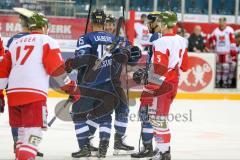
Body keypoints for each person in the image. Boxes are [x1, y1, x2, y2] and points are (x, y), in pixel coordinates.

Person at [0, 10, 77, 160]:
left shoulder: (15, 43)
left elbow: (2, 71)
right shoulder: (47, 41)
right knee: (34, 136)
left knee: (22, 137)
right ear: (43, 27)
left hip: (14, 97)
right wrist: (71, 88)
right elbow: (56, 70)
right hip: (34, 96)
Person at [140, 11, 188, 160]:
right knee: (159, 118)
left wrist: (148, 89)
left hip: (162, 86)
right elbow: (185, 66)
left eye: (160, 22)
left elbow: (159, 70)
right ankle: (163, 151)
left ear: (165, 24)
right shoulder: (182, 40)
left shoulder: (160, 42)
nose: (158, 24)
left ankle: (164, 152)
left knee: (157, 119)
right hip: (174, 83)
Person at [5, 7, 45, 157]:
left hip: (13, 85)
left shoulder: (13, 40)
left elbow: (6, 64)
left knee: (19, 120)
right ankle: (27, 146)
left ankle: (19, 143)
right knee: (32, 121)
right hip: (33, 86)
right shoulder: (40, 39)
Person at [131, 11, 162, 159]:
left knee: (146, 113)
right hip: (159, 80)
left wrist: (148, 76)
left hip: (155, 81)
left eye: (149, 22)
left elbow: (157, 62)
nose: (147, 25)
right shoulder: (160, 36)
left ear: (155, 22)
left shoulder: (156, 37)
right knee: (152, 114)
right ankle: (159, 147)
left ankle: (149, 148)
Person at [209, 17, 237, 88]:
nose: (221, 23)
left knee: (226, 67)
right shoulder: (215, 31)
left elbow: (232, 41)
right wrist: (212, 45)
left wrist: (232, 50)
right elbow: (211, 40)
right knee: (218, 67)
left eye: (223, 22)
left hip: (227, 52)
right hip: (218, 52)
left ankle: (225, 82)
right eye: (220, 22)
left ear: (225, 23)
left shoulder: (229, 30)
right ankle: (218, 81)